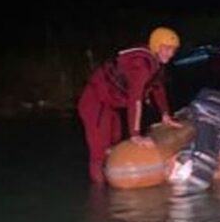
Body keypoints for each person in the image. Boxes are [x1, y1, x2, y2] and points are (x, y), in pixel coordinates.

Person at [78, 27, 183, 183]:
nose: (170, 54)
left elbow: (158, 88)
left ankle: (111, 185)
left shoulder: (156, 64)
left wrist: (165, 114)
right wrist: (135, 135)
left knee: (114, 144)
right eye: (166, 49)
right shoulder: (141, 64)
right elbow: (136, 99)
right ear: (156, 46)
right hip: (95, 102)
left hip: (110, 105)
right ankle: (98, 197)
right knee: (99, 152)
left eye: (173, 50)